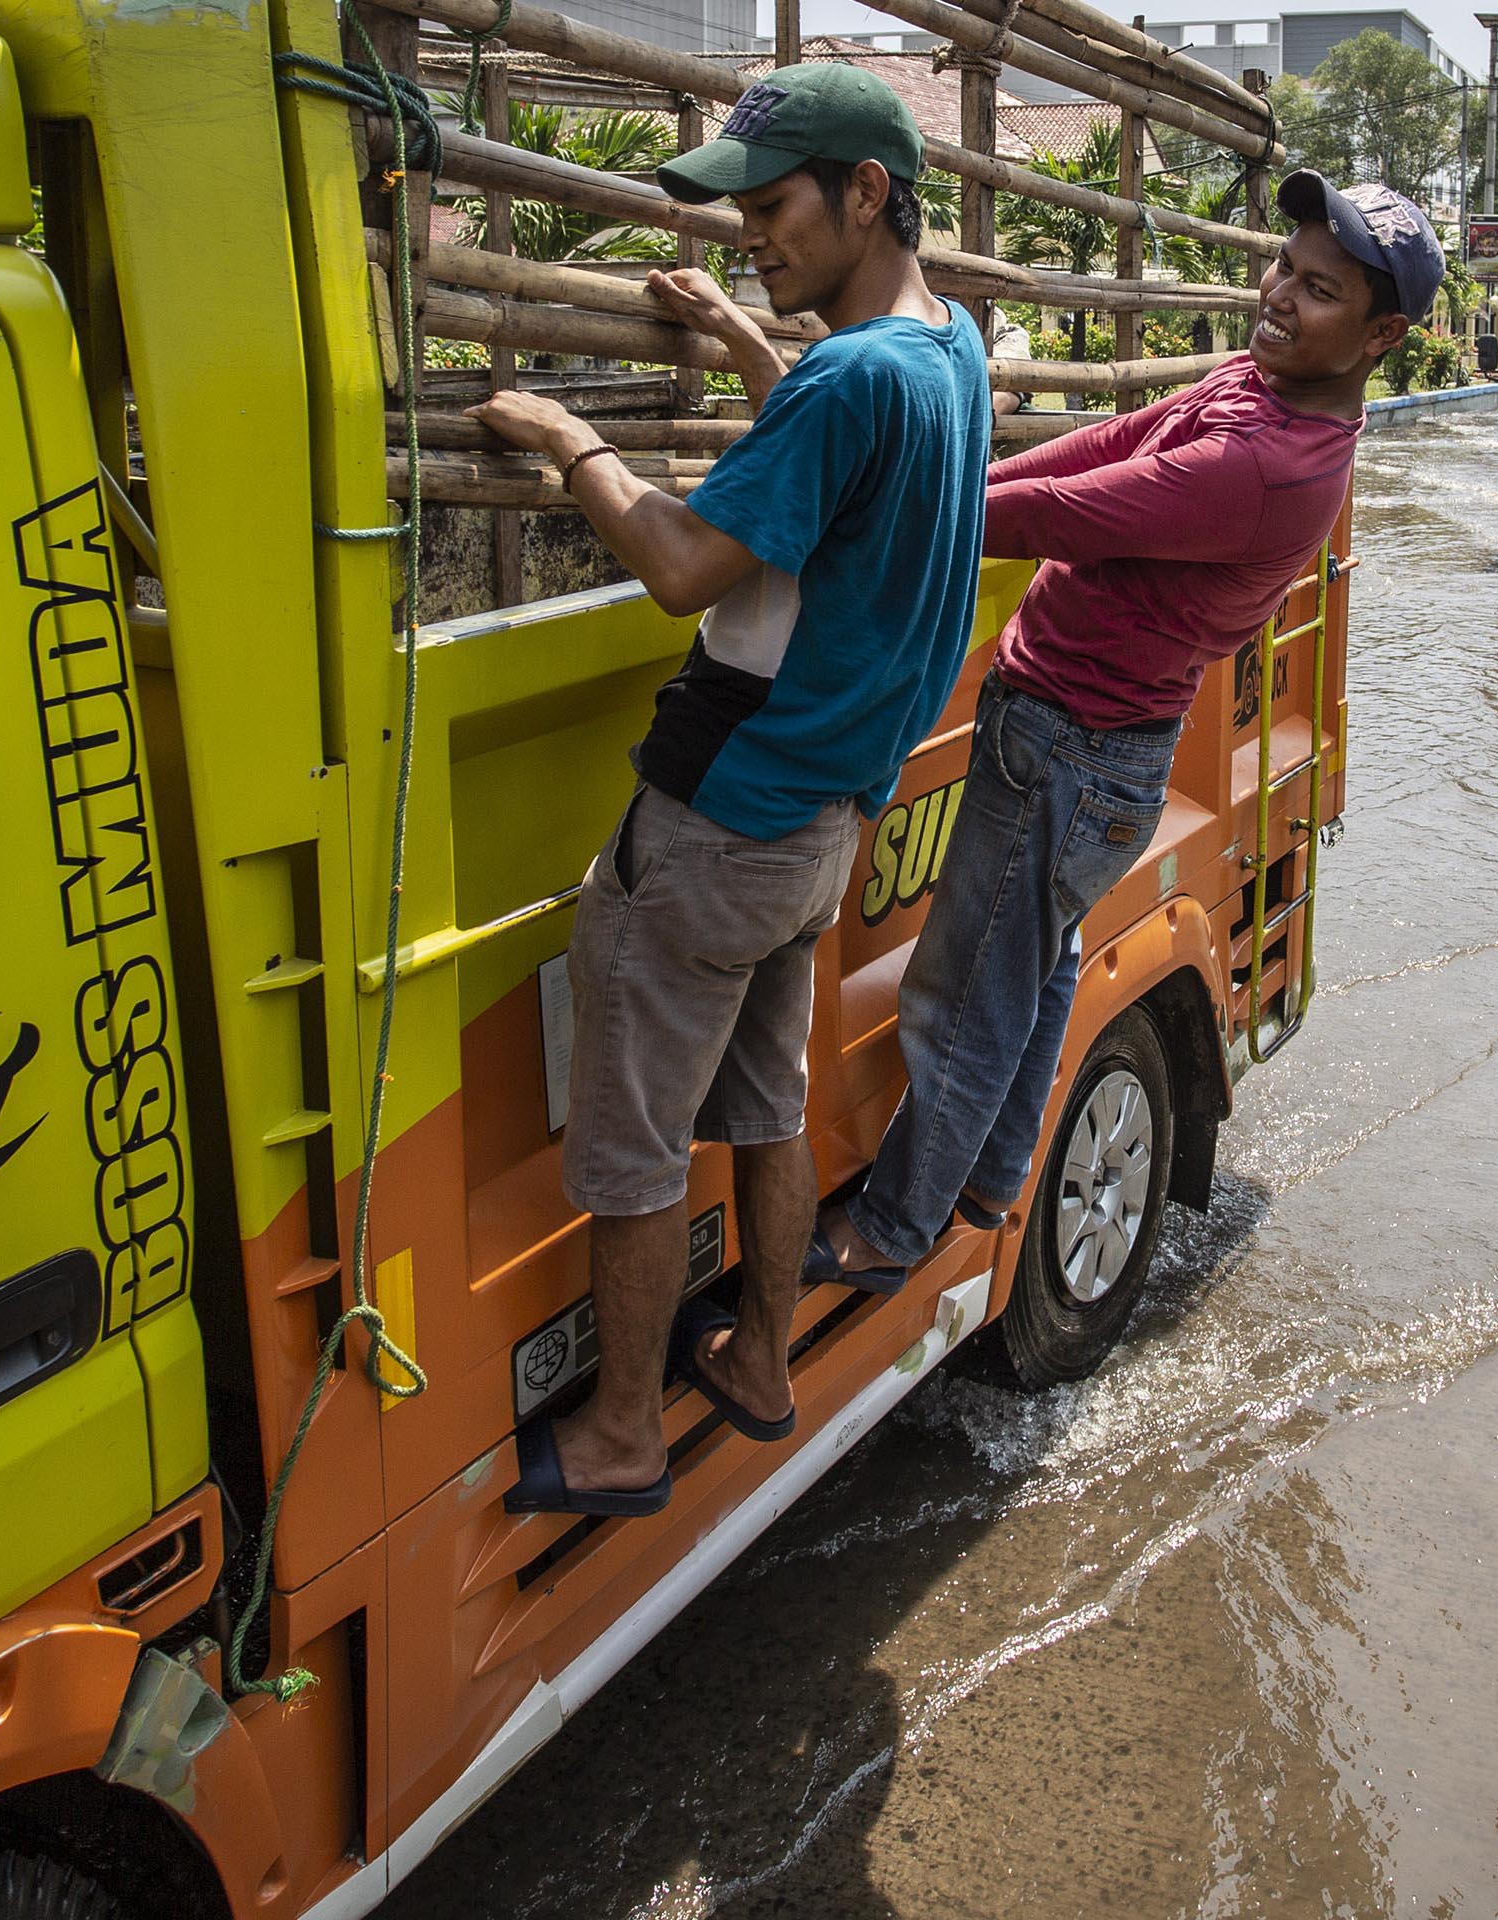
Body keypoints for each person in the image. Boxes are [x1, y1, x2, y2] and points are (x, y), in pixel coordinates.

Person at [469, 63, 990, 1516]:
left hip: (717, 819)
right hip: (821, 823)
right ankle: (759, 1359)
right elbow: (833, 446)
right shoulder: (945, 350)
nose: (749, 237)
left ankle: (625, 1435)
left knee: (631, 1147)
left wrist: (574, 442)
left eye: (771, 210)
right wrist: (742, 333)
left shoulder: (848, 376)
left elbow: (689, 568)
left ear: (866, 193)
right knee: (764, 1104)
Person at [808, 170, 1433, 1293]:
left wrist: (907, 507)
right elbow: (1103, 449)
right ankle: (997, 1171)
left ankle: (894, 1231)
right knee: (1033, 967)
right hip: (1091, 745)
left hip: (1067, 749)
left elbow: (1077, 514)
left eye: (1319, 289)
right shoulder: (1265, 386)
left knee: (961, 999)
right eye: (1283, 268)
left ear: (1379, 333)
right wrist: (957, 486)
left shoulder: (1263, 466)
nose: (1279, 296)